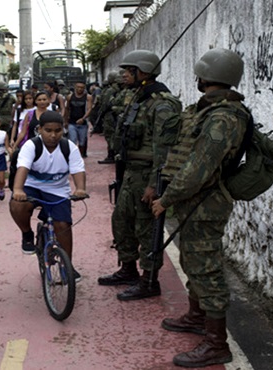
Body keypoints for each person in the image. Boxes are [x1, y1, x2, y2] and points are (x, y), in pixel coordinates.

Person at [151, 48, 248, 368]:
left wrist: (167, 198)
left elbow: (199, 168)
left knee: (207, 268)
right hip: (195, 201)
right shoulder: (210, 110)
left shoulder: (223, 117)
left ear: (208, 76)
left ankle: (216, 343)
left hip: (205, 203)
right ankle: (196, 316)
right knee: (193, 261)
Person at [97, 50, 182, 301]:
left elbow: (164, 148)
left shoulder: (162, 104)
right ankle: (128, 269)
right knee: (122, 222)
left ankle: (149, 280)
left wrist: (155, 183)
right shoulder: (137, 98)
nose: (123, 74)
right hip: (131, 172)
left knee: (147, 228)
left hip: (147, 175)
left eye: (128, 70)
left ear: (142, 72)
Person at [9, 111, 87, 278]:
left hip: (58, 190)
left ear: (63, 130)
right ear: (39, 129)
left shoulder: (69, 148)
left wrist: (80, 189)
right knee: (17, 205)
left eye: (57, 131)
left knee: (63, 227)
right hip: (32, 188)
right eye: (48, 130)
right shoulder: (31, 146)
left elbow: (78, 170)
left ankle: (68, 266)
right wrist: (18, 190)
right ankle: (27, 234)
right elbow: (22, 169)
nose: (53, 135)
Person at [96, 71, 123, 164]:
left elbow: (105, 104)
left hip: (109, 115)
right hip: (114, 115)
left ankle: (111, 155)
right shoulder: (119, 89)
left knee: (110, 136)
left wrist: (101, 113)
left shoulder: (110, 90)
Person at [64, 80, 93, 157]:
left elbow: (89, 109)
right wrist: (65, 121)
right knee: (72, 140)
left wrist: (83, 119)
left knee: (82, 142)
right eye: (78, 87)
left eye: (82, 87)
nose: (80, 89)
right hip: (72, 122)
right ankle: (73, 156)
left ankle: (80, 155)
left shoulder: (88, 97)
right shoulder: (70, 97)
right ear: (75, 87)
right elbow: (67, 109)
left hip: (83, 123)